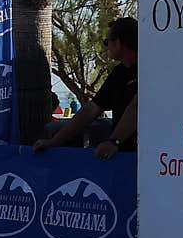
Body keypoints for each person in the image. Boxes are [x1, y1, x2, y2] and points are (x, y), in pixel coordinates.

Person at [35, 16, 138, 159]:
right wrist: (53, 142)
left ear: (118, 43)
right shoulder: (118, 73)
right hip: (120, 154)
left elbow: (137, 107)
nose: (106, 47)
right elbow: (91, 109)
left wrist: (114, 141)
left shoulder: (147, 72)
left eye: (107, 42)